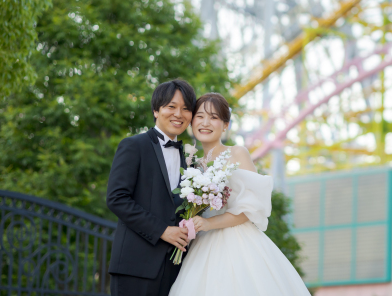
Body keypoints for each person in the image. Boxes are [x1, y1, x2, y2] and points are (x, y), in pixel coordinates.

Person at [168, 92, 310, 296]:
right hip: (201, 246)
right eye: (200, 116)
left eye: (214, 117)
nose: (205, 122)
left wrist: (208, 224)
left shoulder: (237, 153)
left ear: (225, 125)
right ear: (192, 122)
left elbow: (251, 208)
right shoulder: (190, 164)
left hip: (237, 243)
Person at [107, 79, 195, 296]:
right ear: (156, 110)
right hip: (136, 266)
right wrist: (163, 231)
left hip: (177, 270)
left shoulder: (191, 160)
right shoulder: (134, 145)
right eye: (171, 107)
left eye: (186, 109)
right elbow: (117, 198)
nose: (178, 114)